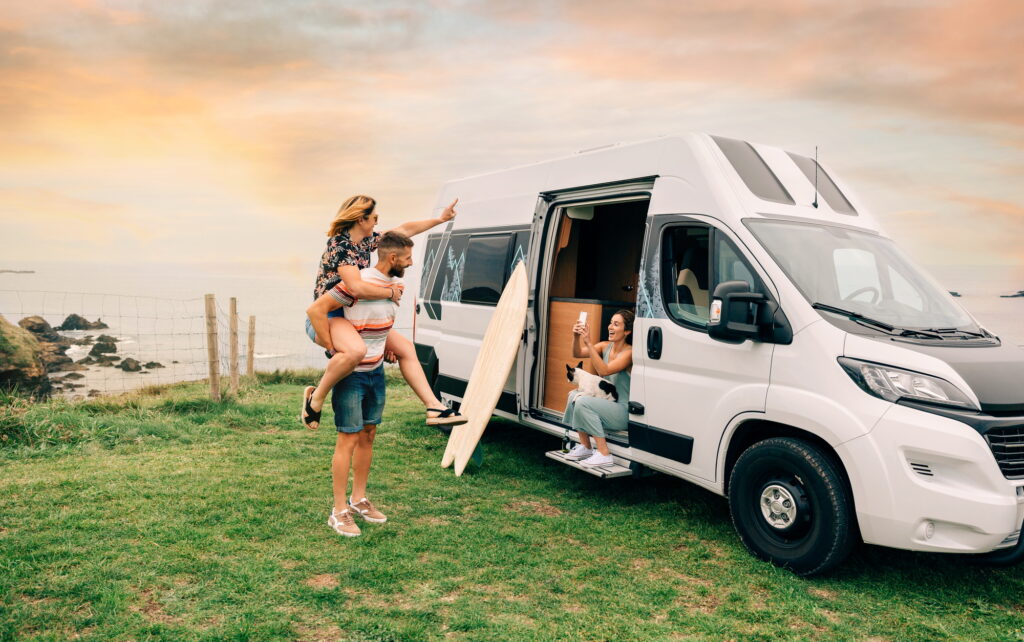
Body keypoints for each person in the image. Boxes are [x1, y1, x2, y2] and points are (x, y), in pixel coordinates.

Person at [301, 194, 465, 430]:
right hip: (328, 317)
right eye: (374, 217)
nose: (377, 221)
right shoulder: (341, 246)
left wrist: (439, 220)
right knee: (356, 350)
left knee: (406, 349)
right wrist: (389, 293)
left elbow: (404, 230)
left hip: (350, 316)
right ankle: (315, 399)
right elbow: (355, 287)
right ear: (360, 219)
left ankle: (434, 407)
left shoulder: (367, 241)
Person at [320, 231, 415, 537]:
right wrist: (332, 347)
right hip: (352, 375)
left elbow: (379, 324)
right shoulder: (356, 283)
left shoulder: (393, 286)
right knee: (347, 439)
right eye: (408, 257)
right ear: (392, 258)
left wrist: (384, 345)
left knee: (369, 434)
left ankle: (358, 498)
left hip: (375, 372)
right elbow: (319, 310)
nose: (411, 263)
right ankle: (338, 511)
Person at [562, 310, 634, 467]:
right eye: (610, 323)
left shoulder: (629, 353)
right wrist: (576, 336)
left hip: (623, 410)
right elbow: (577, 353)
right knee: (573, 394)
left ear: (627, 331)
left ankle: (604, 454)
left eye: (616, 324)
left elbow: (604, 370)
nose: (610, 327)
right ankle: (586, 446)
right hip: (607, 403)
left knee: (583, 401)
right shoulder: (604, 346)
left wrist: (588, 341)